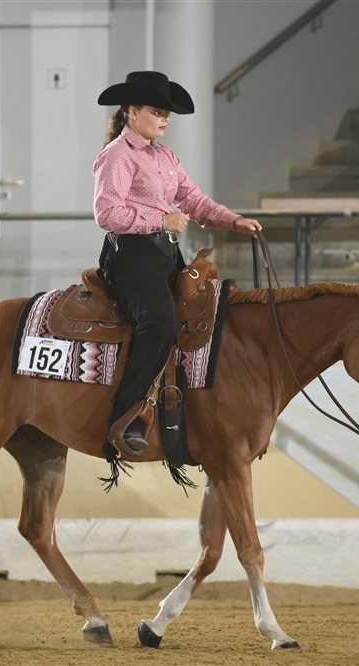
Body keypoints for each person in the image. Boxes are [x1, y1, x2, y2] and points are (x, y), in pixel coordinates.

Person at [93, 70, 262, 455]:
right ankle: (126, 416)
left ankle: (192, 411)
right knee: (160, 324)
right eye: (156, 111)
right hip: (130, 258)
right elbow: (107, 213)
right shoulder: (117, 155)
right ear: (131, 111)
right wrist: (160, 220)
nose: (164, 119)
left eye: (166, 113)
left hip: (164, 255)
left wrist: (232, 220)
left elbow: (193, 199)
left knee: (208, 315)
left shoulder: (165, 156)